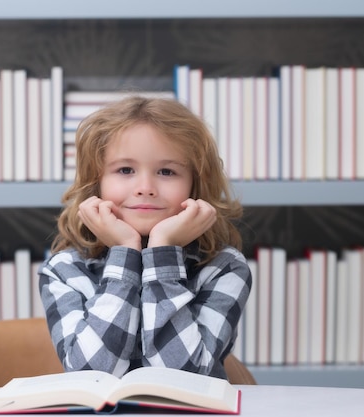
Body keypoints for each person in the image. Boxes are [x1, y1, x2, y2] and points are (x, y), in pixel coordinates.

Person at [38, 95, 251, 380]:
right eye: (125, 170)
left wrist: (163, 252)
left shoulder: (224, 267)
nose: (145, 187)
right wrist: (125, 252)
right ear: (96, 184)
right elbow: (90, 375)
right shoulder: (64, 270)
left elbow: (185, 379)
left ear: (194, 185)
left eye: (167, 171)